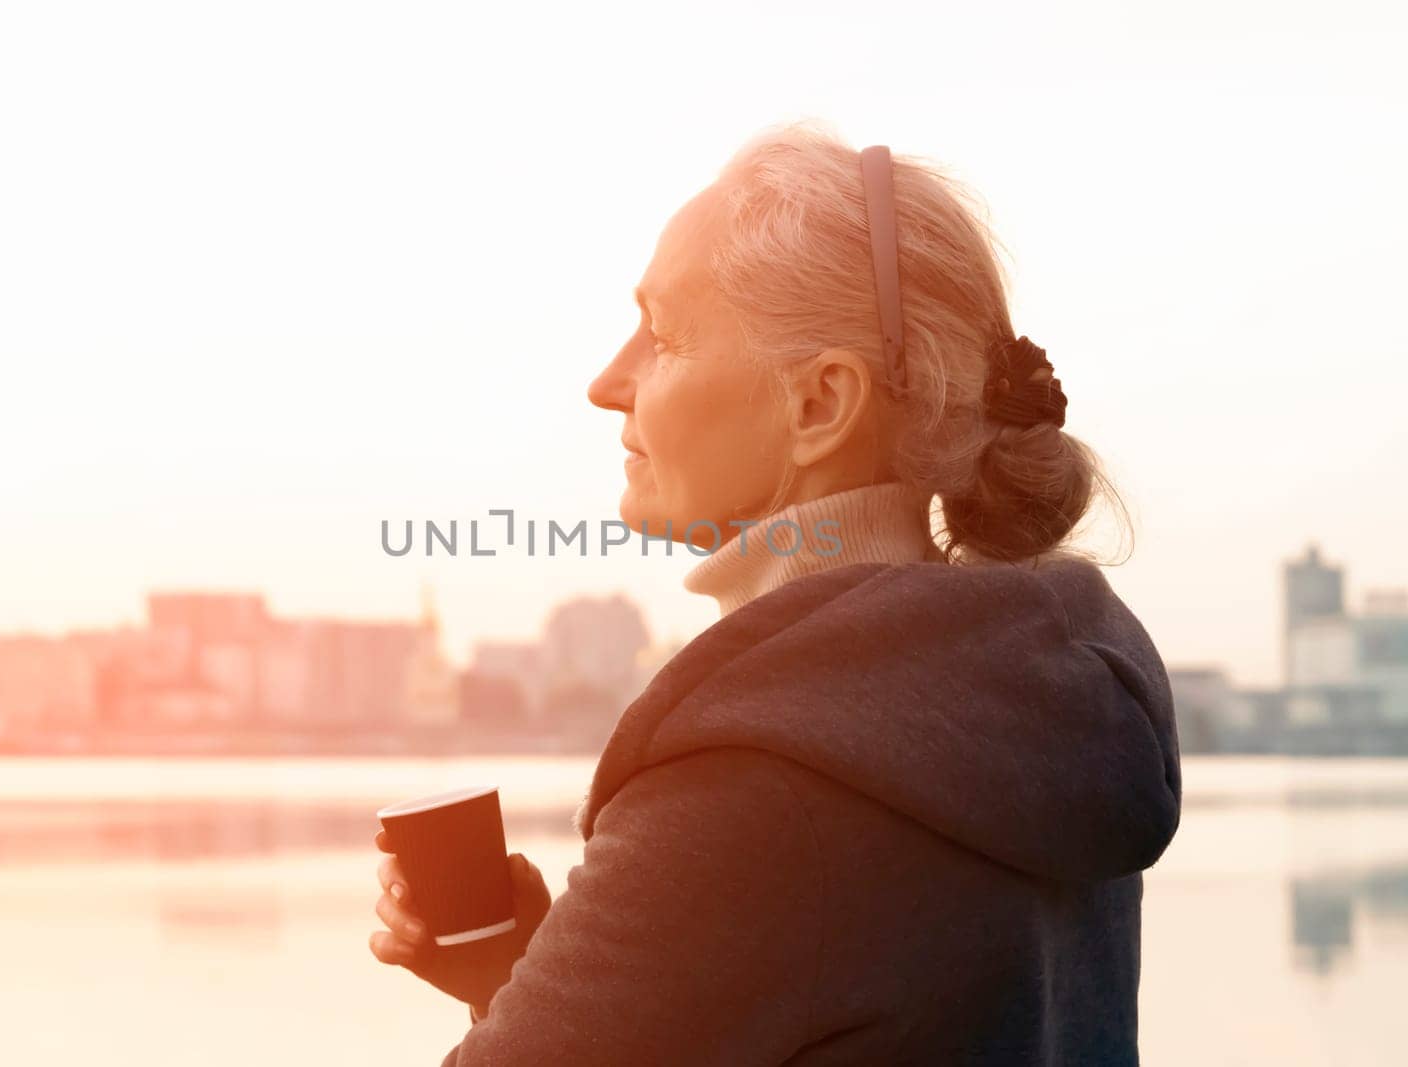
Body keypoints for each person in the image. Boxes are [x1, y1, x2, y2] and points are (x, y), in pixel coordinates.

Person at [368, 119, 1182, 1065]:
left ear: (819, 406)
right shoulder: (1039, 719)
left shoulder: (754, 782)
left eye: (664, 337)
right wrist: (527, 983)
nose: (606, 383)